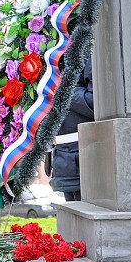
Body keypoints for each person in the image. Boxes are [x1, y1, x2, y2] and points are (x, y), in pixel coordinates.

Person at [49, 57, 93, 201]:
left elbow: (97, 102)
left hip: (84, 162)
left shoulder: (88, 54)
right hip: (65, 162)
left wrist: (64, 91)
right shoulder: (55, 55)